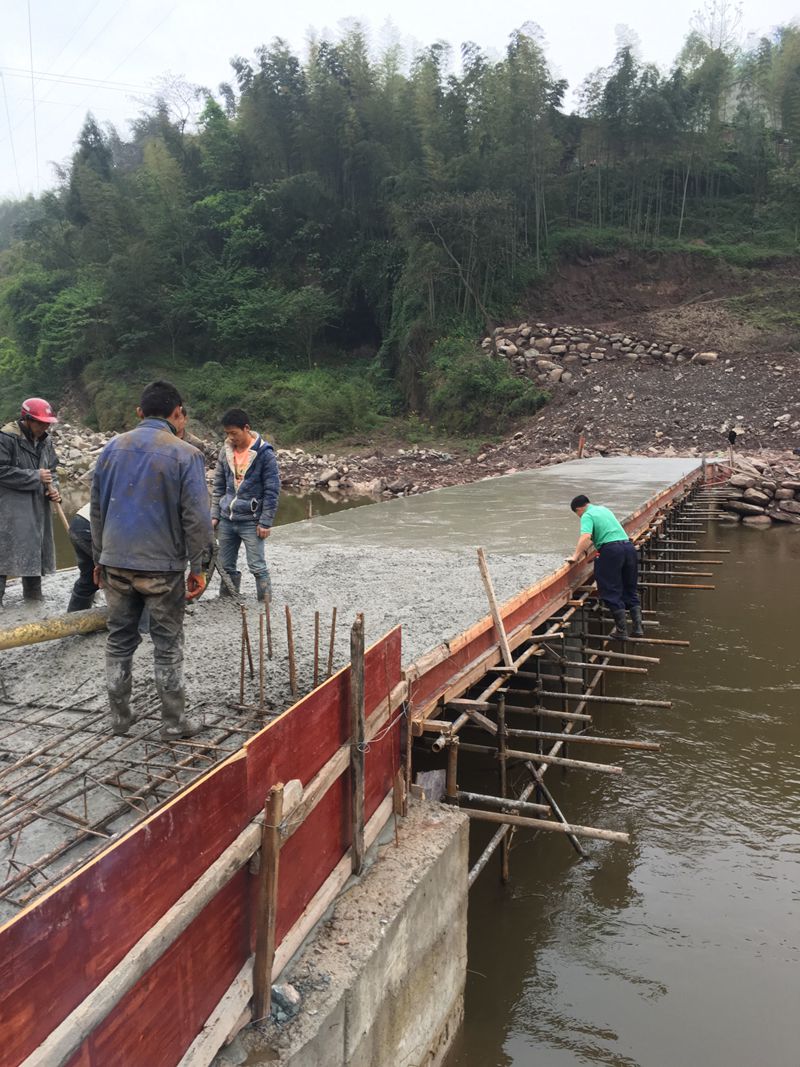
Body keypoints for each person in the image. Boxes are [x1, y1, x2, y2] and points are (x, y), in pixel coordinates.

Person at [91, 380, 213, 738]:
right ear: (177, 413)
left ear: (139, 412)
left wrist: (99, 559)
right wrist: (199, 568)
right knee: (168, 644)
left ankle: (120, 718)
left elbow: (97, 509)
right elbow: (197, 519)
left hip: (115, 563)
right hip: (162, 569)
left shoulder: (111, 448)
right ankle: (173, 722)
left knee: (119, 640)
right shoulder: (186, 454)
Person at [211, 408, 280, 602]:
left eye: (234, 433)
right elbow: (218, 486)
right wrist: (214, 514)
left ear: (246, 428)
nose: (231, 437)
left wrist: (265, 522)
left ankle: (265, 605)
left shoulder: (264, 454)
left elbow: (272, 490)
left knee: (257, 566)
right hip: (227, 518)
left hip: (252, 520)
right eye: (227, 433)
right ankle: (228, 601)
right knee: (225, 566)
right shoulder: (225, 452)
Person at [0, 398, 61, 609]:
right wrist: (35, 476)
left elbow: (52, 470)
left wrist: (55, 490)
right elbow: (1, 470)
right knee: (4, 550)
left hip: (37, 506)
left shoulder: (46, 441)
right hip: (10, 507)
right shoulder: (6, 438)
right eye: (40, 423)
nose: (45, 427)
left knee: (35, 549)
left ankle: (33, 599)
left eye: (47, 423)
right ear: (27, 419)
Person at [566, 494, 643, 640]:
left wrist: (575, 556)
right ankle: (638, 627)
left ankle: (621, 631)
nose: (579, 517)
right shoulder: (604, 510)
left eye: (577, 514)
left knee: (610, 588)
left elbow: (586, 536)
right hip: (628, 548)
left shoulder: (587, 515)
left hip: (611, 551)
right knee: (629, 587)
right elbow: (606, 532)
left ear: (579, 509)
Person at [66, 503, 99, 612]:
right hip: (90, 527)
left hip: (80, 523)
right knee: (122, 576)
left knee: (89, 578)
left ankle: (74, 617)